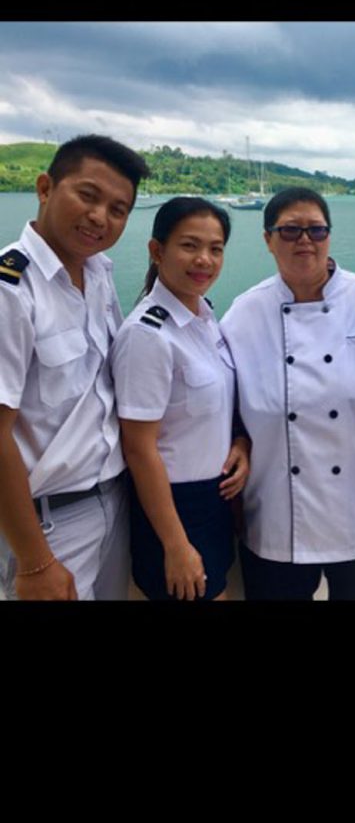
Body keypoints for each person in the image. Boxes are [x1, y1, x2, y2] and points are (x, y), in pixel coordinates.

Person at [220, 186, 355, 600]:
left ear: (329, 236)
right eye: (291, 231)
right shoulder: (243, 313)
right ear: (267, 239)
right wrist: (239, 439)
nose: (305, 241)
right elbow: (223, 397)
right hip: (277, 507)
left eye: (316, 231)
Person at [0, 134, 150, 600]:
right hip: (48, 523)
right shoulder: (11, 290)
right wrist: (35, 560)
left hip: (114, 502)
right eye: (88, 195)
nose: (100, 217)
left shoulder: (99, 272)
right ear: (45, 188)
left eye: (118, 208)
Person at [111, 197, 250, 601]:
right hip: (173, 509)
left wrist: (240, 443)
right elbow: (139, 449)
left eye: (215, 248)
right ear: (157, 251)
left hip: (214, 500)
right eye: (189, 245)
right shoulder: (148, 335)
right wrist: (175, 544)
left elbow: (221, 400)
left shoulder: (204, 318)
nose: (204, 259)